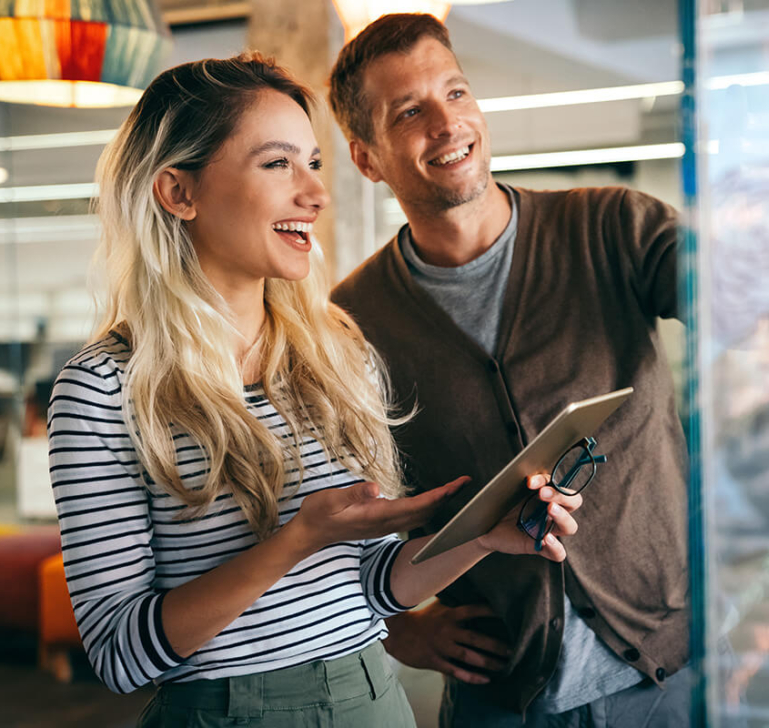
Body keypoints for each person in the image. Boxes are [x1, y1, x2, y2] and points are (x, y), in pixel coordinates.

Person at [46, 53, 582, 728]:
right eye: (277, 165)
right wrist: (296, 541)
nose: (316, 193)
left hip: (374, 700)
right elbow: (121, 655)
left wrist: (482, 537)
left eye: (314, 164)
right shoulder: (101, 389)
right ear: (178, 192)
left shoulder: (335, 354)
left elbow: (368, 586)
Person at [328, 13, 690, 728]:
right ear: (366, 158)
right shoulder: (351, 323)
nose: (446, 122)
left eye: (456, 93)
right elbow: (337, 526)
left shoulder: (612, 228)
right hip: (503, 699)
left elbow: (748, 301)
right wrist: (404, 632)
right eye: (410, 111)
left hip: (667, 674)